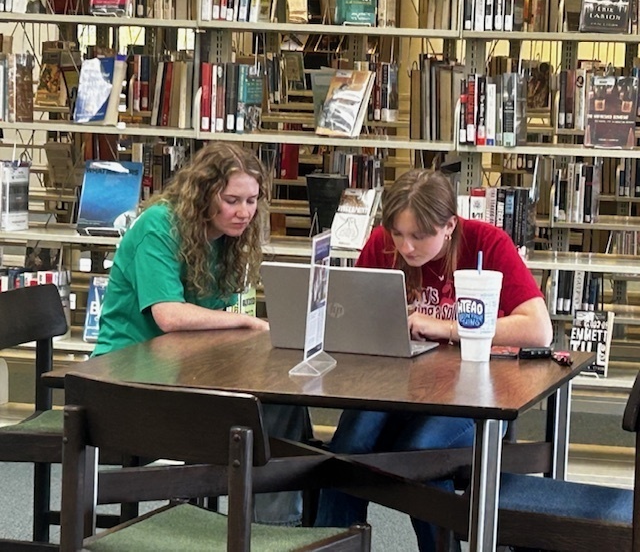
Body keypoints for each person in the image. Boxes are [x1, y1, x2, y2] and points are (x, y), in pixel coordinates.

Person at [315, 170, 553, 551]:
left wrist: (446, 327)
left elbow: (538, 330)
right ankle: (332, 546)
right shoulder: (382, 245)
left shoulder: (487, 243)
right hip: (395, 387)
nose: (406, 248)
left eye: (419, 236)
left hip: (470, 394)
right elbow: (352, 318)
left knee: (422, 453)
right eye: (398, 233)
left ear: (449, 226)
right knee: (350, 446)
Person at [93, 141, 306, 525]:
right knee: (269, 411)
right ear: (204, 194)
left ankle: (279, 529)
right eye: (232, 200)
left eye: (252, 200)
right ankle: (272, 531)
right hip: (127, 381)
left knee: (286, 403)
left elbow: (207, 319)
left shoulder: (224, 236)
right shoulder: (159, 226)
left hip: (185, 372)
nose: (244, 213)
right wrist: (245, 321)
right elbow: (169, 315)